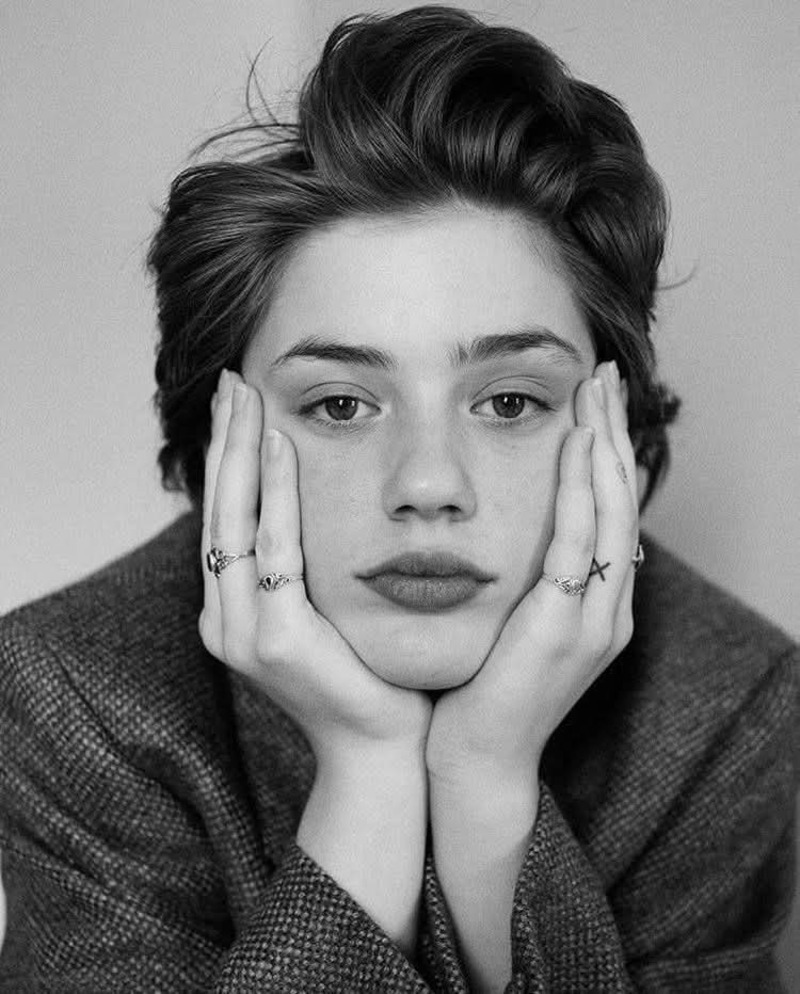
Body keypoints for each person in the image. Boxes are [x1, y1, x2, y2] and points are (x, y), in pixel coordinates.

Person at [1, 6, 797, 992]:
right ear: (219, 441)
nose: (427, 485)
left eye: (509, 401)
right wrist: (366, 768)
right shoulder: (79, 695)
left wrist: (484, 777)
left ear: (614, 430)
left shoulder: (723, 709)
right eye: (340, 404)